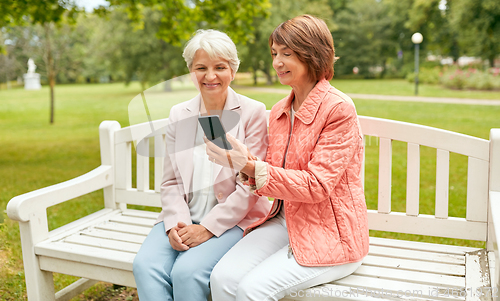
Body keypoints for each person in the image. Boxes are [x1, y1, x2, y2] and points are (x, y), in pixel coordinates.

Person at [206, 15, 369, 301]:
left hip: (331, 233)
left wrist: (250, 165)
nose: (277, 62)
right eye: (274, 54)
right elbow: (274, 172)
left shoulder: (338, 109)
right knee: (221, 279)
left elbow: (316, 185)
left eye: (286, 54)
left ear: (312, 54)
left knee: (250, 291)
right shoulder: (281, 110)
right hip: (284, 219)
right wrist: (243, 162)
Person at [133, 29, 272, 301]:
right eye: (201, 68)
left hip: (233, 222)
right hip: (184, 217)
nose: (210, 76)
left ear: (232, 70)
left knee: (187, 272)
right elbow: (171, 181)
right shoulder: (179, 113)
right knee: (145, 266)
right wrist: (176, 225)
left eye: (220, 67)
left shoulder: (253, 112)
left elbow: (250, 187)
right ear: (190, 71)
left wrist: (207, 228)